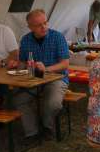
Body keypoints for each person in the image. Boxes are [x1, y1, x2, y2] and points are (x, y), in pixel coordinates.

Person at [11, 9, 69, 138]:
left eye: (45, 23)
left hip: (56, 79)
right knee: (19, 100)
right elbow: (22, 62)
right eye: (39, 25)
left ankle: (47, 126)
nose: (44, 27)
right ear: (30, 27)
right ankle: (32, 132)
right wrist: (16, 68)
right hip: (35, 80)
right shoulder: (26, 40)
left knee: (53, 103)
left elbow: (65, 64)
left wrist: (46, 69)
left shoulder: (57, 37)